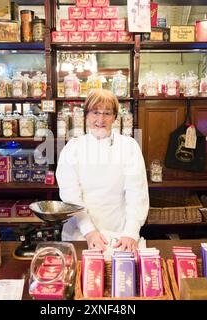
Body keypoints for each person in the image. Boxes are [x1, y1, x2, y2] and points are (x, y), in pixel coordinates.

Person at [56, 89, 149, 252]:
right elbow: (70, 195)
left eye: (107, 113)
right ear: (86, 115)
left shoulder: (129, 146)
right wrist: (89, 231)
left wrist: (131, 232)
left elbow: (137, 193)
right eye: (95, 112)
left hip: (119, 234)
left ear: (114, 117)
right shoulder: (73, 148)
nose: (100, 119)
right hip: (80, 234)